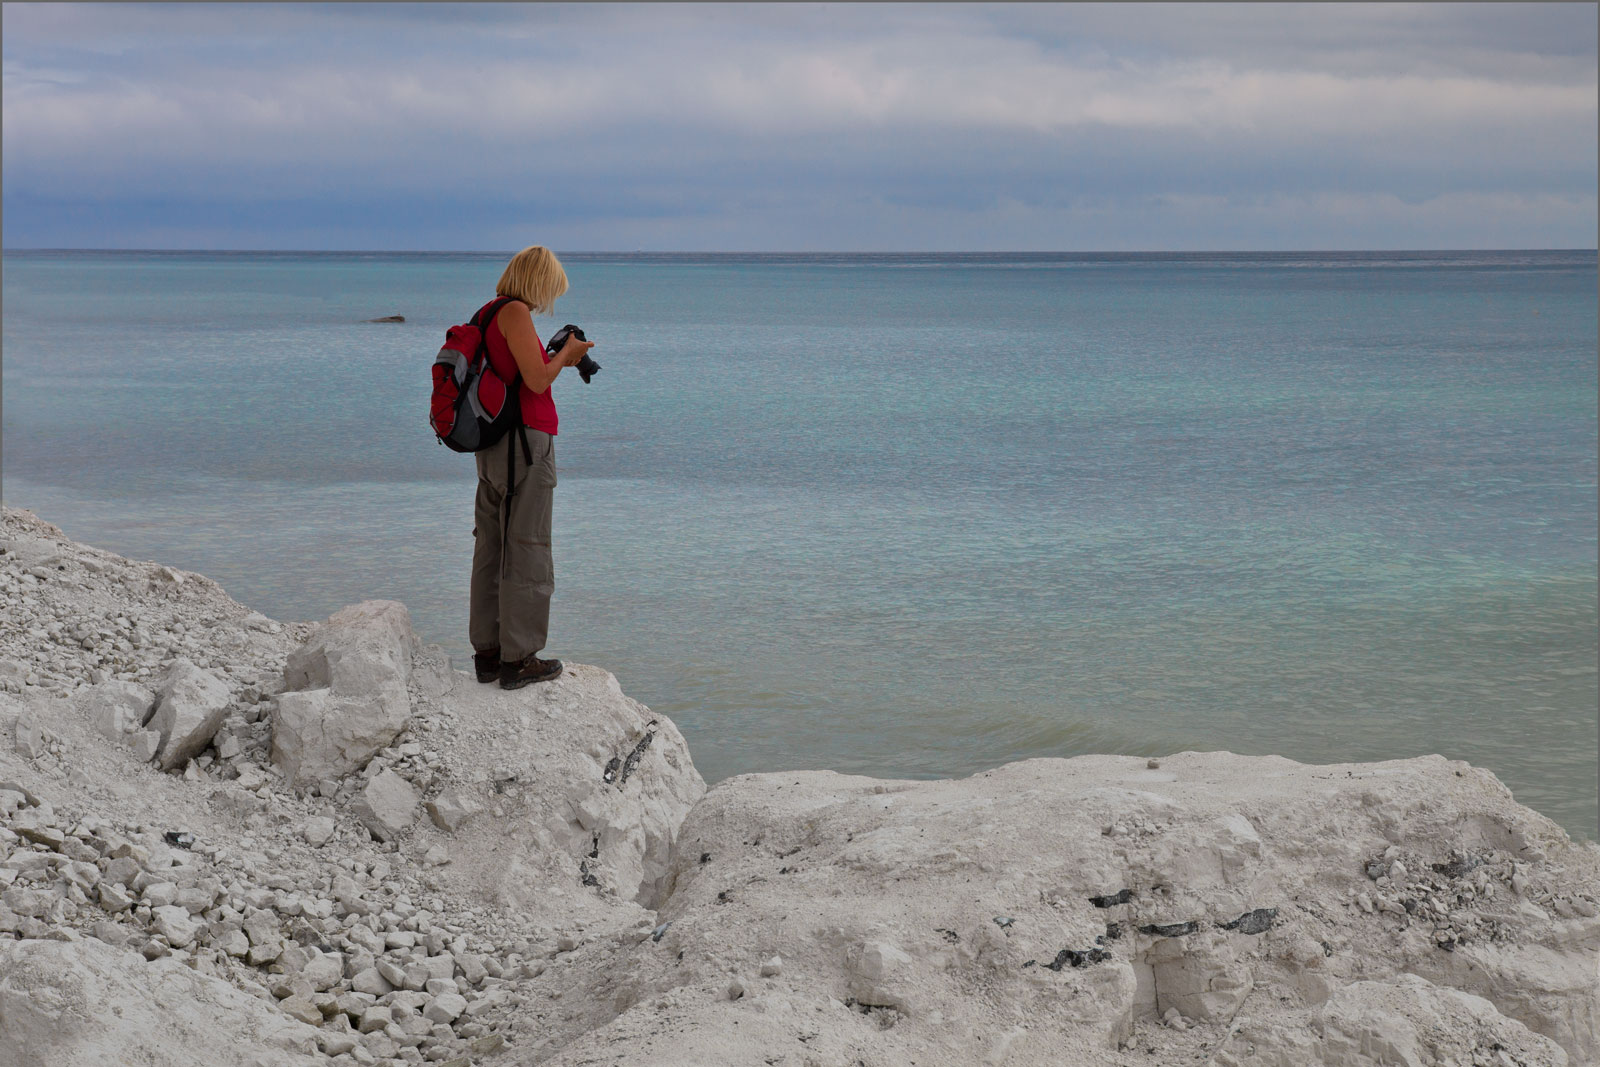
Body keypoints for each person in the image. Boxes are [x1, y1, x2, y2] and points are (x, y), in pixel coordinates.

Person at [469, 245, 594, 689]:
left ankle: (488, 652)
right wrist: (568, 354)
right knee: (528, 546)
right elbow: (537, 380)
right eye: (550, 289)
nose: (547, 302)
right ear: (537, 281)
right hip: (525, 445)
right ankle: (518, 659)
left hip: (493, 447)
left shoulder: (486, 313)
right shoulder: (516, 312)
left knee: (491, 546)